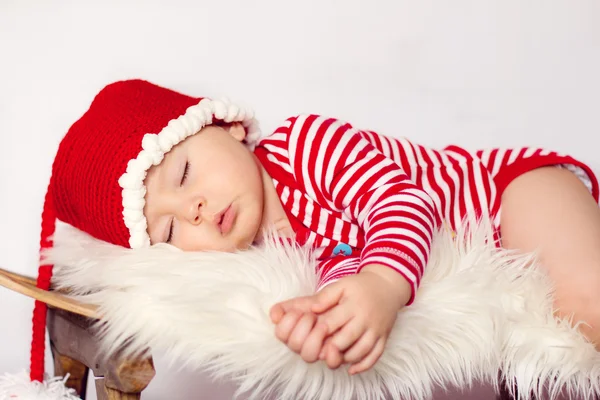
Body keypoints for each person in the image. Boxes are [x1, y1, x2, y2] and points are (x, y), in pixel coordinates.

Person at [25, 79, 600, 384]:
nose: (196, 209)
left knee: (582, 309)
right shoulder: (264, 258)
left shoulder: (306, 144)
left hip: (506, 194)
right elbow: (341, 254)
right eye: (170, 226)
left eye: (184, 173)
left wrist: (380, 284)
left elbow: (401, 201)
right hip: (488, 244)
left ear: (226, 127)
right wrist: (327, 313)